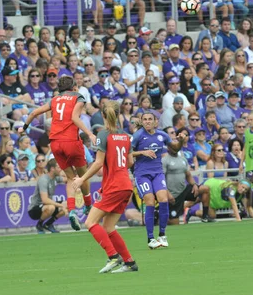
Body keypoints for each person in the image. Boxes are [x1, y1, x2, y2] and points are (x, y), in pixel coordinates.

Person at [72, 100, 138, 273]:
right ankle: (130, 263)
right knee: (108, 227)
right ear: (118, 115)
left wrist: (81, 179)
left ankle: (113, 257)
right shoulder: (125, 136)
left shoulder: (103, 135)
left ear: (102, 115)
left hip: (115, 186)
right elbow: (130, 162)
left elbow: (98, 163)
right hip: (126, 185)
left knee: (90, 222)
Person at [23, 76, 96, 231]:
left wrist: (24, 127)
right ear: (74, 87)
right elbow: (75, 118)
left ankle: (71, 211)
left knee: (70, 177)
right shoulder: (78, 97)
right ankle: (88, 206)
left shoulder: (55, 99)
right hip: (71, 141)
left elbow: (35, 112)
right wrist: (89, 134)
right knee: (82, 176)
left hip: (55, 143)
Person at [132, 111, 182, 249]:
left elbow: (175, 148)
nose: (147, 121)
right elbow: (127, 153)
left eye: (150, 119)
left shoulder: (162, 135)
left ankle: (162, 235)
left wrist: (181, 141)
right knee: (149, 200)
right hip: (142, 174)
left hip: (157, 173)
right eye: (145, 119)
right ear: (142, 122)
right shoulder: (138, 136)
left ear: (155, 122)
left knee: (163, 199)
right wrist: (142, 152)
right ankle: (150, 238)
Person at [28, 159, 67, 234]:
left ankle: (48, 224)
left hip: (47, 206)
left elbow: (67, 179)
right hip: (35, 208)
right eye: (58, 167)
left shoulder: (55, 178)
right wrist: (61, 205)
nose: (60, 169)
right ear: (52, 169)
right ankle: (39, 225)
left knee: (69, 204)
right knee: (51, 207)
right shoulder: (43, 180)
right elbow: (45, 200)